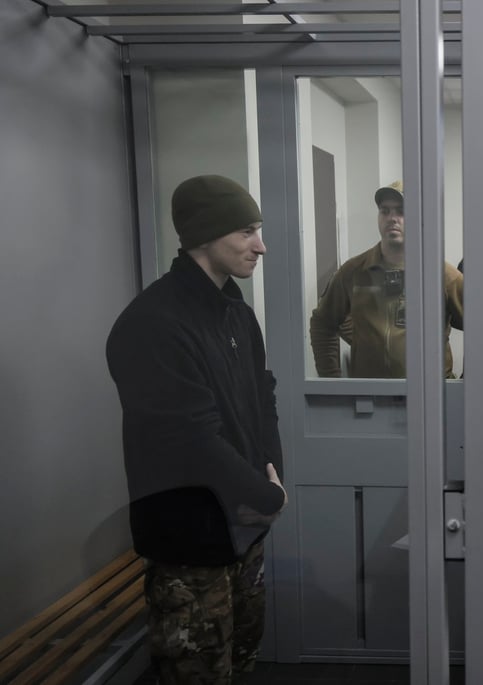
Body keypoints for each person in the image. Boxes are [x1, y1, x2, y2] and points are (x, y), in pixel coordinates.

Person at [106, 175, 288, 682]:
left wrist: (272, 477)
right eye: (247, 231)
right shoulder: (153, 323)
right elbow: (190, 437)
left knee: (242, 659)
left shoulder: (234, 311)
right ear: (206, 236)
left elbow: (261, 397)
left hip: (243, 528)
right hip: (190, 540)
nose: (261, 246)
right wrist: (267, 496)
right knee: (198, 674)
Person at [309, 180, 464, 378]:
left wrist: (465, 386)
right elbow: (323, 323)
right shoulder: (354, 271)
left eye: (401, 211)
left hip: (430, 402)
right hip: (370, 402)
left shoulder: (442, 275)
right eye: (385, 211)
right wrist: (332, 380)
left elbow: (482, 328)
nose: (392, 218)